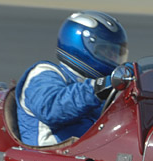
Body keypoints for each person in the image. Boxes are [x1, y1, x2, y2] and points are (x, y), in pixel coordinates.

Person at [15, 11, 129, 146]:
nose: (113, 58)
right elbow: (51, 109)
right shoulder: (44, 73)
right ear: (81, 45)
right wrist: (98, 87)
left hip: (91, 156)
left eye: (115, 53)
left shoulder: (102, 88)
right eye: (105, 51)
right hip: (51, 160)